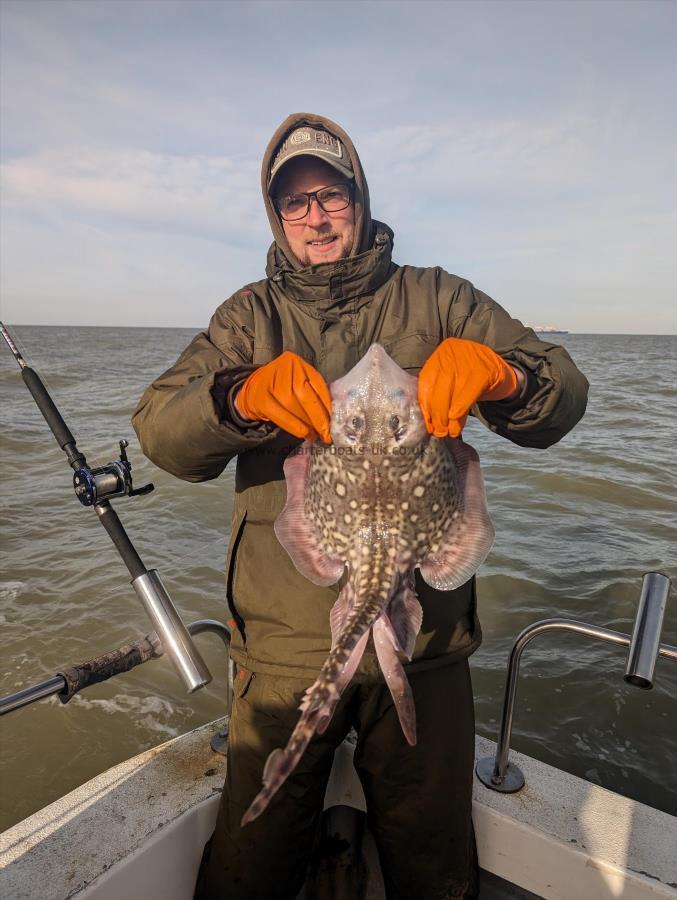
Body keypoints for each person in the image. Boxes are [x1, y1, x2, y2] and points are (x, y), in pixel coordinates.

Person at [132, 112, 588, 900]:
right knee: (254, 855)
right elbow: (162, 433)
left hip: (429, 638)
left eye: (330, 195)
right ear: (275, 216)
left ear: (359, 197)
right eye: (294, 202)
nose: (314, 216)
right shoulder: (250, 316)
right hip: (280, 651)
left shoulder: (438, 297)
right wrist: (238, 395)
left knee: (431, 860)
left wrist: (505, 377)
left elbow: (562, 389)